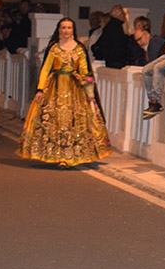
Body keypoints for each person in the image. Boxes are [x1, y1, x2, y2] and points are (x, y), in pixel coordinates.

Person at [17, 17, 112, 166]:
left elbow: (85, 71)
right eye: (63, 28)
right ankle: (55, 153)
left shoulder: (79, 49)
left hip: (75, 90)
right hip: (54, 88)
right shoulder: (54, 48)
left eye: (69, 28)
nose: (66, 31)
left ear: (73, 30)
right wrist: (40, 89)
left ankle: (72, 154)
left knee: (74, 122)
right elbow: (45, 69)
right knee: (52, 121)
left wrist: (88, 88)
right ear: (59, 30)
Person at [91, 4, 132, 68]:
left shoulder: (108, 26)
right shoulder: (117, 27)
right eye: (124, 14)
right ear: (120, 15)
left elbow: (99, 44)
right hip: (118, 61)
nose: (124, 16)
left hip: (109, 61)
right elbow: (120, 46)